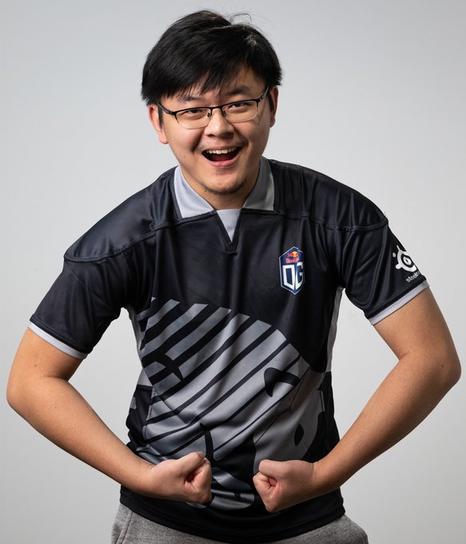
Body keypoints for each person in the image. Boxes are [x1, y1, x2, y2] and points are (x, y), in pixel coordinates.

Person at [6, 9, 461, 544]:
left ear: (272, 105)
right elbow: (31, 381)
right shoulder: (122, 240)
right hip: (165, 520)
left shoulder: (340, 218)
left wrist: (326, 473)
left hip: (308, 515)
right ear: (158, 121)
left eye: (239, 103)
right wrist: (141, 476)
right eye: (192, 109)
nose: (218, 126)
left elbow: (433, 359)